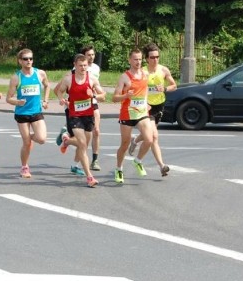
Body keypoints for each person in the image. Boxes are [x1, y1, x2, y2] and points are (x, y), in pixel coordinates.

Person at [55, 53, 106, 187]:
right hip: (75, 115)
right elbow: (59, 91)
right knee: (82, 144)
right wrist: (61, 99)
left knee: (85, 144)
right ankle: (89, 177)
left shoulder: (92, 79)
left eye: (85, 65)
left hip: (88, 116)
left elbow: (103, 96)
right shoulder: (68, 80)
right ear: (75, 66)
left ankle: (66, 140)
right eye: (80, 66)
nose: (83, 68)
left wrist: (94, 95)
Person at [128, 43, 176, 177]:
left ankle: (135, 141)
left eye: (157, 57)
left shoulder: (163, 70)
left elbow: (174, 85)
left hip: (159, 106)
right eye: (152, 57)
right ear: (147, 59)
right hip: (146, 107)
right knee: (154, 136)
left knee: (149, 135)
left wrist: (165, 89)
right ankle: (162, 166)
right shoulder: (142, 72)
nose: (155, 60)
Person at [112, 48, 155, 184]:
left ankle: (138, 160)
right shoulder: (125, 77)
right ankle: (119, 168)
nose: (138, 62)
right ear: (129, 60)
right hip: (127, 113)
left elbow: (146, 88)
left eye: (140, 59)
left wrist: (146, 101)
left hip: (141, 112)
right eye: (135, 59)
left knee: (149, 139)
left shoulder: (145, 74)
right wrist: (125, 95)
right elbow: (114, 98)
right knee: (124, 144)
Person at [6, 48, 50, 179]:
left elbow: (47, 86)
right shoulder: (16, 77)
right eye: (25, 59)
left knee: (41, 139)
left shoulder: (40, 73)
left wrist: (45, 100)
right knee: (26, 143)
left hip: (36, 111)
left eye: (31, 58)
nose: (29, 61)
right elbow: (8, 98)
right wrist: (17, 102)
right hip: (22, 113)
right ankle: (24, 167)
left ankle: (28, 136)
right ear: (20, 61)